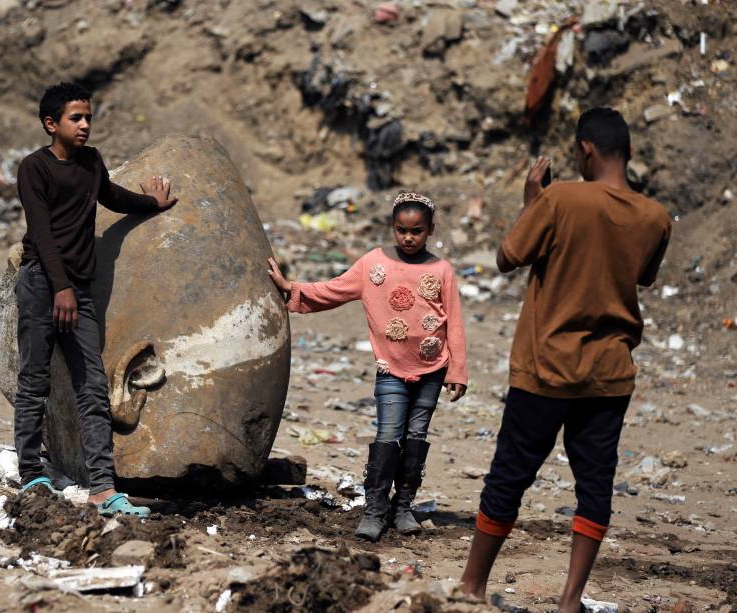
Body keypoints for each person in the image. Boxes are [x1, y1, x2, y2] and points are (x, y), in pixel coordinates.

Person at [459, 108, 672, 610]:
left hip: (544, 370)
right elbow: (642, 278)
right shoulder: (655, 217)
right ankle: (570, 600)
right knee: (595, 484)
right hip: (610, 375)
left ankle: (472, 585)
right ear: (630, 153)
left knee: (509, 476)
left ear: (584, 151)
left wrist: (533, 201)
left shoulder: (559, 199)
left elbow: (508, 255)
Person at [14, 82, 177, 517]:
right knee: (34, 383)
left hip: (78, 294)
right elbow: (41, 233)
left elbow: (113, 196)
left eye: (88, 117)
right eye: (75, 118)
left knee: (92, 388)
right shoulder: (34, 168)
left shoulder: (91, 163)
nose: (85, 125)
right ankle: (31, 475)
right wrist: (61, 287)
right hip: (41, 286)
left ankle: (103, 489)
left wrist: (152, 203)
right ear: (51, 124)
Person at [268, 192, 468, 541]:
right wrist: (292, 289)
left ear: (431, 230)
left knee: (415, 439)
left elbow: (455, 323)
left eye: (417, 231)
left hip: (433, 370)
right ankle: (375, 510)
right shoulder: (373, 264)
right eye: (401, 230)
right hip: (390, 370)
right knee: (388, 437)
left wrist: (457, 370)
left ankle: (403, 507)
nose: (408, 237)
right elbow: (334, 290)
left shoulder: (441, 270)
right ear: (391, 227)